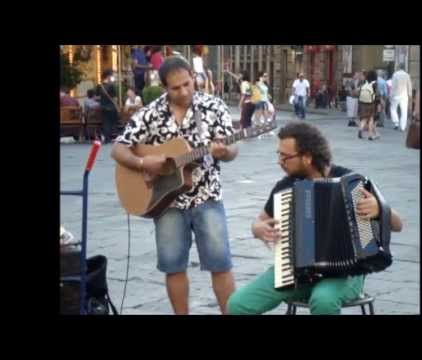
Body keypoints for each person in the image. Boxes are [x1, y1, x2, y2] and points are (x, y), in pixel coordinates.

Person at [227, 121, 403, 315]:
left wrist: (379, 208)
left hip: (347, 274)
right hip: (295, 272)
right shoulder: (285, 187)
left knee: (323, 301)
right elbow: (259, 221)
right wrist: (258, 228)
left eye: (285, 157)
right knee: (237, 305)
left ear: (307, 158)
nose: (279, 162)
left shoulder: (352, 183)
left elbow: (397, 224)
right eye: (278, 155)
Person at [111, 56, 238, 315]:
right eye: (175, 88)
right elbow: (118, 148)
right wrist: (144, 162)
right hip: (167, 200)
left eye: (187, 84)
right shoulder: (150, 113)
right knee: (173, 265)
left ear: (194, 76)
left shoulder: (214, 107)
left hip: (207, 194)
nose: (183, 92)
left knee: (221, 263)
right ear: (164, 87)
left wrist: (224, 151)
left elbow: (232, 148)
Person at [96, 69, 119, 144]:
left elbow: (97, 97)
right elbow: (115, 98)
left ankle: (106, 138)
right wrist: (117, 106)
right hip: (111, 107)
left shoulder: (99, 86)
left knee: (105, 122)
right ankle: (109, 136)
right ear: (108, 76)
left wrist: (103, 98)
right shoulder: (111, 86)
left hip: (103, 106)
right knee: (112, 122)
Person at [357, 70, 380, 141]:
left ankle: (360, 129)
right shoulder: (375, 84)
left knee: (364, 118)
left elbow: (359, 91)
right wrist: (379, 104)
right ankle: (370, 135)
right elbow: (377, 95)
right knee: (371, 119)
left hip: (363, 103)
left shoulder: (365, 83)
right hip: (371, 104)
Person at [390, 63, 412, 131]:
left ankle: (396, 122)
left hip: (396, 95)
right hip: (404, 95)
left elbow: (393, 86)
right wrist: (410, 94)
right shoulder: (407, 75)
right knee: (404, 111)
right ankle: (403, 127)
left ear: (399, 67)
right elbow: (409, 86)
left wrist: (391, 94)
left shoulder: (395, 74)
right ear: (404, 68)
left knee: (393, 109)